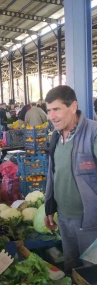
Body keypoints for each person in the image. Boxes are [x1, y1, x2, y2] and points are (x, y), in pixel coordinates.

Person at [44, 85, 97, 274]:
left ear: (73, 107)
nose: (51, 116)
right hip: (64, 219)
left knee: (92, 273)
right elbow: (53, 174)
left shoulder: (93, 133)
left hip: (90, 223)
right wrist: (49, 207)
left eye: (56, 109)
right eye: (49, 110)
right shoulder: (56, 137)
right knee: (71, 268)